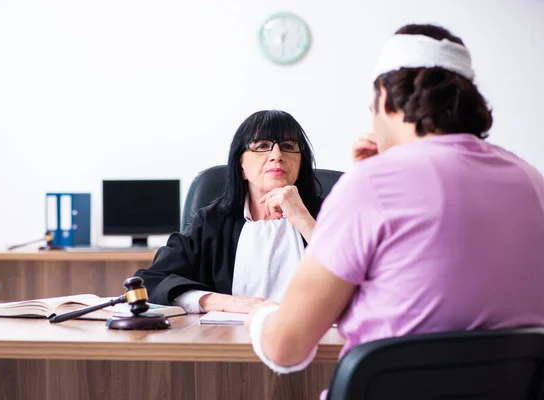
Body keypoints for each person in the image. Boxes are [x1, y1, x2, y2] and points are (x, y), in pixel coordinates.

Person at [247, 23, 544, 398]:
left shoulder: (372, 185)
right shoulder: (532, 182)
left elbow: (284, 348)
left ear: (385, 98)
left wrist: (258, 316)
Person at [134, 110, 325, 314]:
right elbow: (151, 282)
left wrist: (303, 220)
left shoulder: (331, 213)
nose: (277, 156)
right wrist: (227, 303)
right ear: (241, 165)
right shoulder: (212, 222)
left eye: (288, 147)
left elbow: (358, 276)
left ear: (301, 163)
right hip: (226, 338)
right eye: (261, 146)